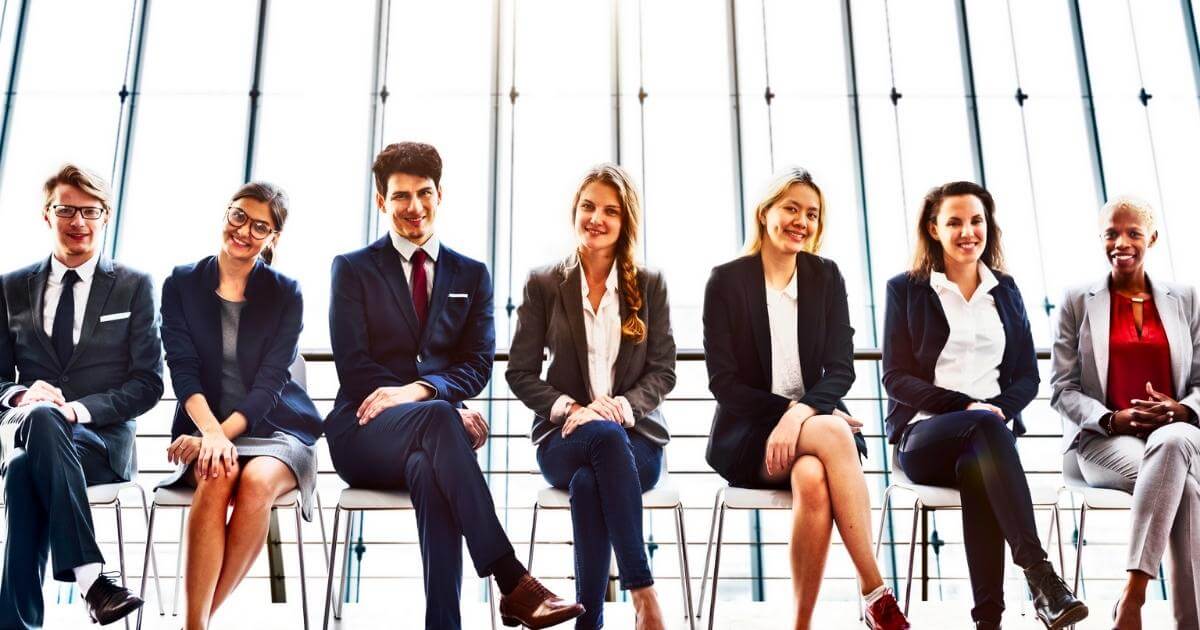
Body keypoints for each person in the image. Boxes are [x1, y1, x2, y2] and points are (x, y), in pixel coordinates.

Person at [325, 142, 584, 630]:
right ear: (381, 201)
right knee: (442, 423)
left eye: (424, 193)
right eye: (400, 196)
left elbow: (477, 365)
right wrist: (435, 404)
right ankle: (512, 581)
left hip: (433, 434)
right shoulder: (353, 269)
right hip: (362, 433)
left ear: (440, 194)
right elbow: (355, 369)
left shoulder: (472, 274)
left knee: (431, 465)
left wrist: (420, 393)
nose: (414, 208)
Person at [702, 168, 909, 630]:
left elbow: (841, 369)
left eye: (811, 213)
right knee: (833, 430)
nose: (802, 221)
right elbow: (725, 384)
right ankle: (875, 591)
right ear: (765, 213)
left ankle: (800, 625)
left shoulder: (826, 277)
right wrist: (792, 415)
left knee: (813, 477)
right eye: (791, 208)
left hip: (815, 427)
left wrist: (802, 414)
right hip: (751, 436)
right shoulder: (726, 282)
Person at [882, 181, 1086, 630]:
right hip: (923, 438)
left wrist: (993, 410)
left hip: (986, 441)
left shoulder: (1006, 290)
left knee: (983, 458)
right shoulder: (906, 290)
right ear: (934, 229)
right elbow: (894, 377)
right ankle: (1041, 575)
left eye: (976, 221)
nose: (967, 231)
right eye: (953, 222)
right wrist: (968, 407)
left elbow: (1027, 377)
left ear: (988, 226)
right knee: (985, 434)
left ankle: (988, 623)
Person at [507, 164, 676, 630]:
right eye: (588, 206)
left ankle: (590, 622)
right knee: (596, 441)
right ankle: (643, 591)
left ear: (626, 222)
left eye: (610, 210)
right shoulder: (544, 284)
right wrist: (572, 409)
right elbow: (520, 373)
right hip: (563, 438)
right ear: (574, 211)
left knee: (588, 482)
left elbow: (663, 371)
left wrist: (620, 407)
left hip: (637, 442)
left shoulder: (649, 283)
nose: (596, 218)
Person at [0, 164, 163, 628]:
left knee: (21, 466)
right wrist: (20, 396)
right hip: (33, 431)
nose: (78, 222)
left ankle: (18, 622)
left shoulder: (134, 286)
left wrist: (76, 410)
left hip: (101, 445)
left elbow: (149, 383)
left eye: (90, 210)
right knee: (32, 441)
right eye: (66, 209)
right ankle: (94, 583)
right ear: (46, 215)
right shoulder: (11, 288)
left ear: (106, 215)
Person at [157, 182, 323, 630]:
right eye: (238, 216)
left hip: (278, 430)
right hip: (204, 425)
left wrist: (213, 436)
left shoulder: (287, 292)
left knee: (253, 482)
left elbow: (270, 387)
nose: (244, 231)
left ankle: (196, 625)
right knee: (217, 472)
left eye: (260, 226)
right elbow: (183, 370)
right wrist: (209, 434)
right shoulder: (182, 283)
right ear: (225, 214)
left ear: (273, 238)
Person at [1051, 196, 1200, 630]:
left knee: (1170, 443)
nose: (1122, 242)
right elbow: (1062, 390)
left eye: (1133, 232)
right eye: (1112, 233)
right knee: (1185, 493)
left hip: (1180, 434)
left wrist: (1181, 409)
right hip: (1104, 440)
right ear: (1101, 239)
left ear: (1151, 237)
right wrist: (1111, 419)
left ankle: (1132, 596)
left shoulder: (1187, 300)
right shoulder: (1078, 301)